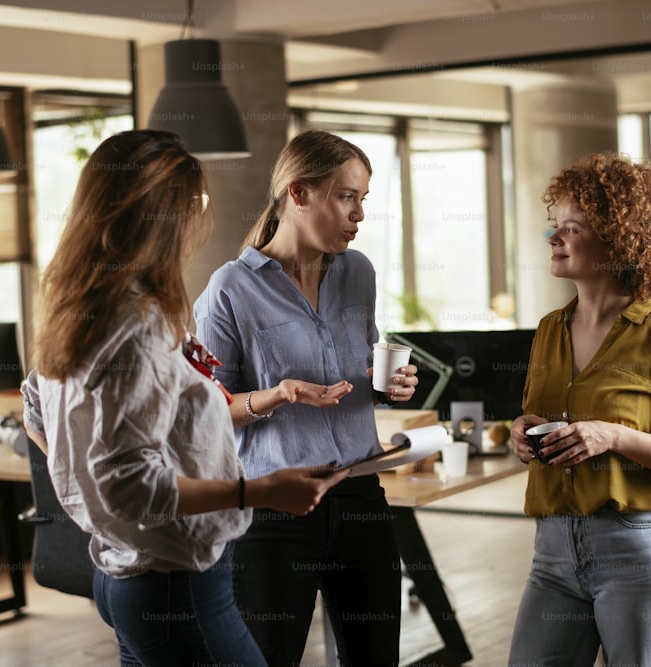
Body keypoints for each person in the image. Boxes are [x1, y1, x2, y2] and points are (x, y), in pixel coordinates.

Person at [20, 129, 350, 667]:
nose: (199, 218)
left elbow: (36, 409)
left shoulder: (80, 305)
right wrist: (260, 491)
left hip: (121, 571)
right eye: (193, 204)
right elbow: (131, 485)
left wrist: (86, 486)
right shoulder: (137, 323)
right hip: (177, 585)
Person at [193, 129, 419, 666]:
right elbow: (207, 418)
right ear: (298, 194)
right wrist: (276, 395)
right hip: (274, 513)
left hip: (361, 499)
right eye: (346, 196)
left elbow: (356, 374)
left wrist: (387, 388)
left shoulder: (358, 273)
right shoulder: (229, 289)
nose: (359, 214)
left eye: (364, 199)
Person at [507, 152, 651, 667]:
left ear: (618, 239)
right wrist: (521, 432)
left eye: (572, 228)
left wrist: (614, 436)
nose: (554, 239)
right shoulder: (548, 330)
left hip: (639, 551)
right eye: (553, 227)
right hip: (553, 550)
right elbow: (540, 420)